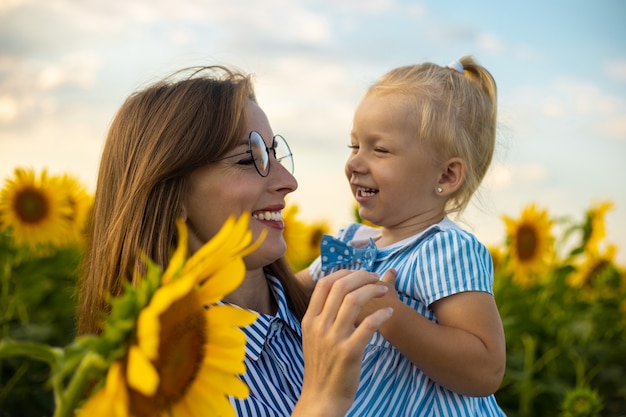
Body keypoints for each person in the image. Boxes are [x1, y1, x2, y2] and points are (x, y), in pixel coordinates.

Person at [76, 65, 393, 416]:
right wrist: (322, 401)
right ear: (172, 194)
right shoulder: (158, 384)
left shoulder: (335, 307)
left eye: (275, 153)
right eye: (248, 158)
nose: (288, 181)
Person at [299, 56, 507, 416]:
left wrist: (390, 311)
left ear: (445, 176)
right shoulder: (351, 243)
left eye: (379, 150)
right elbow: (285, 292)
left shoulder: (446, 249)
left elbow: (485, 369)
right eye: (354, 146)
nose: (354, 163)